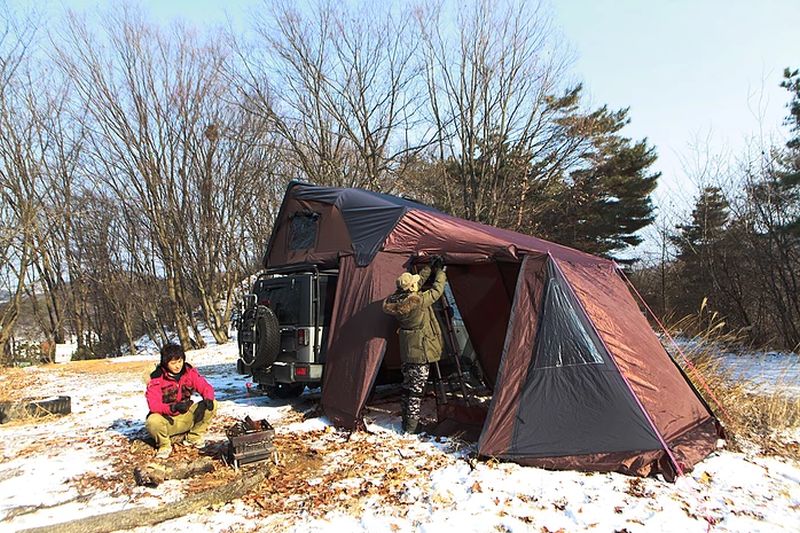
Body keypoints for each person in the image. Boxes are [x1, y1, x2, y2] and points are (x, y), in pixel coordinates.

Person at [382, 256, 447, 434]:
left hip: (407, 350)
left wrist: (428, 268)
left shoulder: (397, 300)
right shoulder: (418, 302)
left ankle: (406, 422)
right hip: (420, 351)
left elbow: (418, 283)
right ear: (412, 288)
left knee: (407, 388)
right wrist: (440, 271)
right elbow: (437, 290)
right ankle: (412, 427)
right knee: (416, 392)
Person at [145, 343, 216, 459]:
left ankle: (194, 437)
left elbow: (205, 386)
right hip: (167, 420)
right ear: (165, 363)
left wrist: (208, 397)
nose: (178, 366)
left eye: (180, 361)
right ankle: (164, 445)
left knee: (213, 404)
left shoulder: (189, 372)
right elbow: (154, 405)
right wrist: (173, 407)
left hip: (186, 416)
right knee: (152, 421)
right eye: (173, 363)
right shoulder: (156, 378)